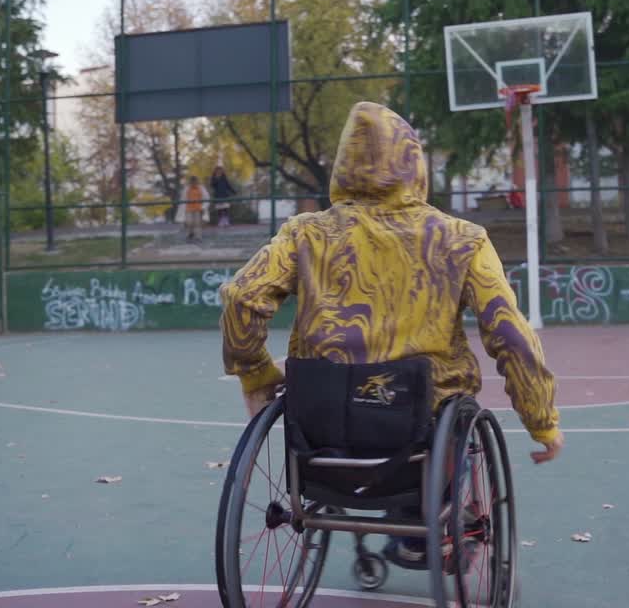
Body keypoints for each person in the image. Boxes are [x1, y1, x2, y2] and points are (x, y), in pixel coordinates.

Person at [219, 101, 561, 567]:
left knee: (342, 391)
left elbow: (242, 297)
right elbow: (510, 334)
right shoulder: (461, 239)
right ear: (413, 163)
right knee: (444, 411)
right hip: (418, 427)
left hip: (323, 426)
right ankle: (426, 524)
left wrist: (257, 374)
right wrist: (542, 420)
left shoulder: (305, 234)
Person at [183, 175, 206, 241]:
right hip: (189, 209)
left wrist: (203, 208)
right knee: (189, 222)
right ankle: (191, 232)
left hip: (198, 209)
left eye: (195, 182)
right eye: (192, 182)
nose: (193, 183)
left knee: (197, 223)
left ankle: (198, 236)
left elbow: (205, 198)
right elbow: (184, 198)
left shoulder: (201, 189)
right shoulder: (187, 189)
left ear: (197, 182)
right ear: (190, 182)